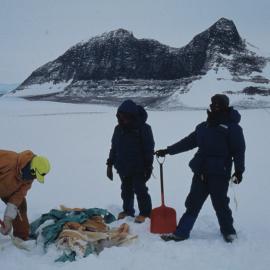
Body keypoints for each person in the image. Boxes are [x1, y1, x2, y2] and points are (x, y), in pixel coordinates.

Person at [155, 94, 245, 243]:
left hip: (219, 173)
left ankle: (229, 232)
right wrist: (168, 150)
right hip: (201, 172)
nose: (215, 106)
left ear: (225, 106)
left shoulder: (232, 128)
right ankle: (181, 233)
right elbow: (188, 142)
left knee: (220, 204)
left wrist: (239, 170)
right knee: (193, 203)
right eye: (213, 103)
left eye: (219, 104)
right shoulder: (204, 126)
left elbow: (239, 150)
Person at [106, 99, 155, 223]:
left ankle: (145, 213)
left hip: (139, 167)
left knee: (140, 190)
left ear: (132, 116)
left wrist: (149, 167)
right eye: (120, 116)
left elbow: (149, 149)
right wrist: (110, 164)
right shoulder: (118, 129)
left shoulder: (143, 128)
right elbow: (114, 147)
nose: (122, 119)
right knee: (126, 189)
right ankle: (128, 210)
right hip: (122, 166)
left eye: (125, 117)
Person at [0, 150, 51, 240]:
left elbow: (18, 196)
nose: (34, 178)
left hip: (7, 190)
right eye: (35, 175)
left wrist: (8, 218)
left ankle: (21, 237)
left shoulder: (29, 177)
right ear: (32, 168)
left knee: (20, 206)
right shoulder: (8, 160)